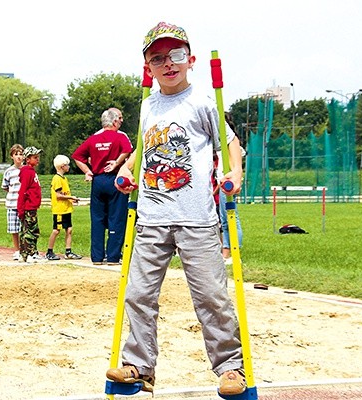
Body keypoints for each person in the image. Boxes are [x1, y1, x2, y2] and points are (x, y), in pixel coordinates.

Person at [106, 22, 246, 396]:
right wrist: (126, 168)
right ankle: (139, 365)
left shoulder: (203, 101)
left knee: (211, 297)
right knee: (138, 293)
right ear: (147, 68)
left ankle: (231, 368)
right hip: (152, 219)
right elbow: (141, 149)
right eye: (158, 58)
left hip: (196, 218)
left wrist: (236, 171)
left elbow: (231, 145)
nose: (169, 63)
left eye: (177, 56)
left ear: (191, 59)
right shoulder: (147, 106)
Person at [71, 108, 132, 265]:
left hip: (98, 181)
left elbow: (77, 156)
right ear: (113, 122)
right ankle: (112, 257)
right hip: (115, 180)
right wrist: (117, 162)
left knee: (97, 219)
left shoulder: (93, 139)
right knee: (117, 218)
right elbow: (128, 150)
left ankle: (97, 257)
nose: (120, 122)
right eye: (119, 119)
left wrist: (88, 171)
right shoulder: (119, 137)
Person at [216, 114, 244, 265]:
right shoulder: (220, 143)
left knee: (231, 218)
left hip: (227, 183)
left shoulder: (231, 144)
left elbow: (236, 162)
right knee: (225, 220)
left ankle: (233, 253)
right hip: (221, 181)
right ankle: (226, 253)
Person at [45, 155, 83, 261]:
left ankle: (68, 251)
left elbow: (64, 194)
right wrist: (71, 197)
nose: (69, 167)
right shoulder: (57, 179)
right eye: (67, 165)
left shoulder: (64, 178)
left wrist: (71, 200)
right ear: (62, 166)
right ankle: (49, 251)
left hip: (66, 209)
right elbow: (58, 195)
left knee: (69, 229)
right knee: (56, 230)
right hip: (60, 210)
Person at [17, 146, 44, 263]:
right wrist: (21, 209)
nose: (37, 160)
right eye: (35, 157)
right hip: (29, 207)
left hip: (31, 206)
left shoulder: (31, 171)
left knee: (26, 230)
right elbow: (23, 191)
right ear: (27, 159)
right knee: (31, 231)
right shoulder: (27, 172)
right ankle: (31, 253)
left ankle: (23, 254)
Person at [2, 144, 25, 261]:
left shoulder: (26, 170)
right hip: (12, 204)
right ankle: (17, 250)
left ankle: (25, 249)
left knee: (24, 228)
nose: (19, 157)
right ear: (12, 156)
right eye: (16, 154)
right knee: (14, 229)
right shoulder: (9, 171)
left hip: (24, 204)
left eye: (21, 154)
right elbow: (5, 186)